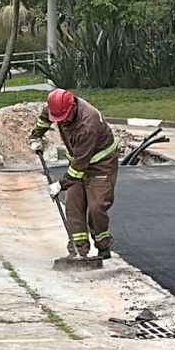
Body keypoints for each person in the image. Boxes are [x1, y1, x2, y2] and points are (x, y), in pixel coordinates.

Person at [30, 89, 119, 260]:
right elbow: (44, 118)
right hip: (79, 160)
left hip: (101, 165)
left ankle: (103, 247)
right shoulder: (57, 108)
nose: (62, 122)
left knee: (96, 207)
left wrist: (60, 185)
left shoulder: (88, 124)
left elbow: (79, 167)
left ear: (72, 107)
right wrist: (37, 136)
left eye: (64, 118)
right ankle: (79, 251)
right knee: (73, 206)